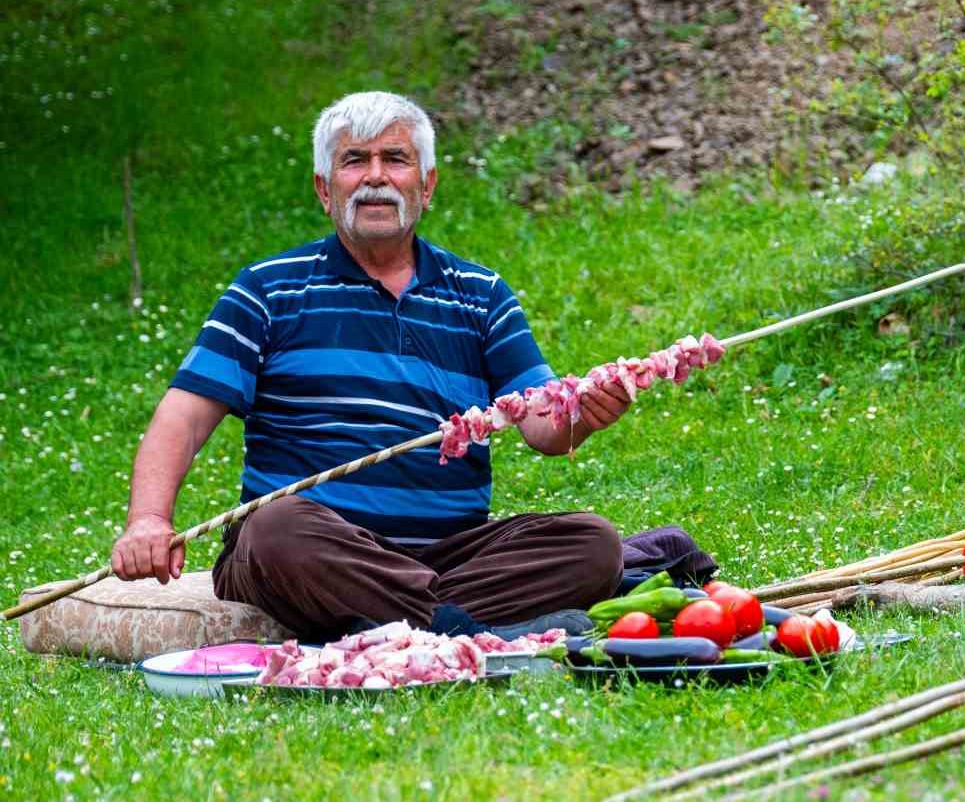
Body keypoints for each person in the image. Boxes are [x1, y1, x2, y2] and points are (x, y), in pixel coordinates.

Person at [109, 92, 632, 640]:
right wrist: (147, 520)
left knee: (593, 544)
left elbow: (546, 426)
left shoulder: (482, 295)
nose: (375, 177)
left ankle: (399, 619)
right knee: (274, 531)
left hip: (446, 554)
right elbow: (184, 417)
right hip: (313, 544)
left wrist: (586, 415)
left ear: (426, 186)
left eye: (396, 159)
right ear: (324, 189)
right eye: (354, 160)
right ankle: (462, 628)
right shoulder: (267, 289)